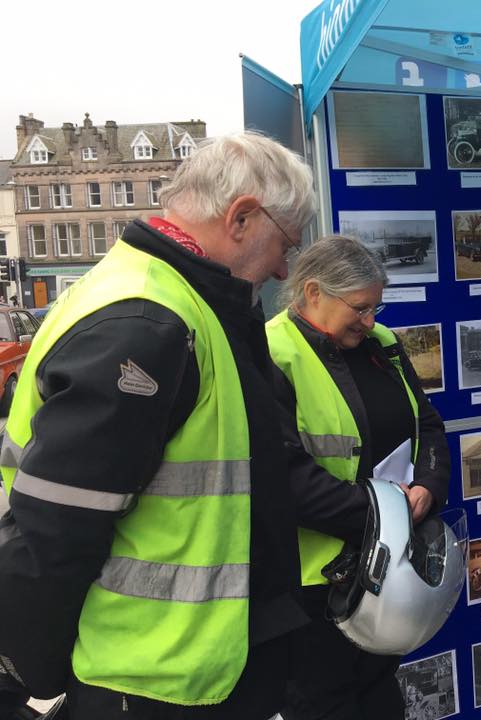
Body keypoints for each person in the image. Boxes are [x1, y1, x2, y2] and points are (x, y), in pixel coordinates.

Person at [0, 131, 317, 720]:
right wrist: (32, 673)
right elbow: (56, 531)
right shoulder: (150, 321)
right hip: (150, 682)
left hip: (183, 668)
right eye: (285, 245)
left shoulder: (176, 299)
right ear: (241, 218)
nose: (282, 268)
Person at [265, 235, 450, 720]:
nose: (370, 321)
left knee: (380, 696)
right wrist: (385, 516)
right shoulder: (272, 353)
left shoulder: (382, 344)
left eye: (375, 308)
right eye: (361, 308)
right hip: (314, 585)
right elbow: (285, 479)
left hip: (383, 568)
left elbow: (427, 425)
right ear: (313, 292)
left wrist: (429, 486)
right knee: (323, 702)